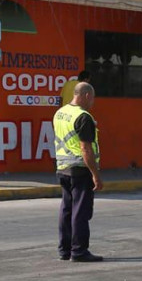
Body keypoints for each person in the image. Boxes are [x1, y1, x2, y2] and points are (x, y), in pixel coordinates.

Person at [53, 82, 103, 262]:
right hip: (80, 169)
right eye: (93, 98)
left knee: (66, 209)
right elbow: (86, 149)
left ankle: (64, 250)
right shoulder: (83, 117)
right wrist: (96, 175)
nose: (93, 102)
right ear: (87, 95)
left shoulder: (60, 112)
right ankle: (79, 251)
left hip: (63, 168)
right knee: (80, 211)